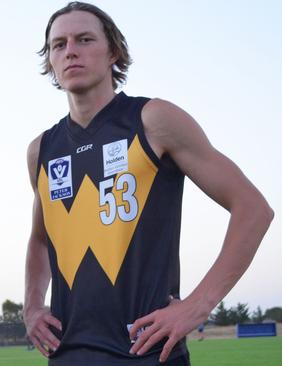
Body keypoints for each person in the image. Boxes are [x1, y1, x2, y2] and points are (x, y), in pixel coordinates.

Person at [23, 2, 274, 365]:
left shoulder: (153, 120)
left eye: (84, 39)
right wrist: (31, 306)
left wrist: (197, 305)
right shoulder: (42, 150)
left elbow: (254, 209)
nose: (70, 50)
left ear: (114, 52)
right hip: (68, 354)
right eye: (58, 44)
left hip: (147, 351)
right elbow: (40, 238)